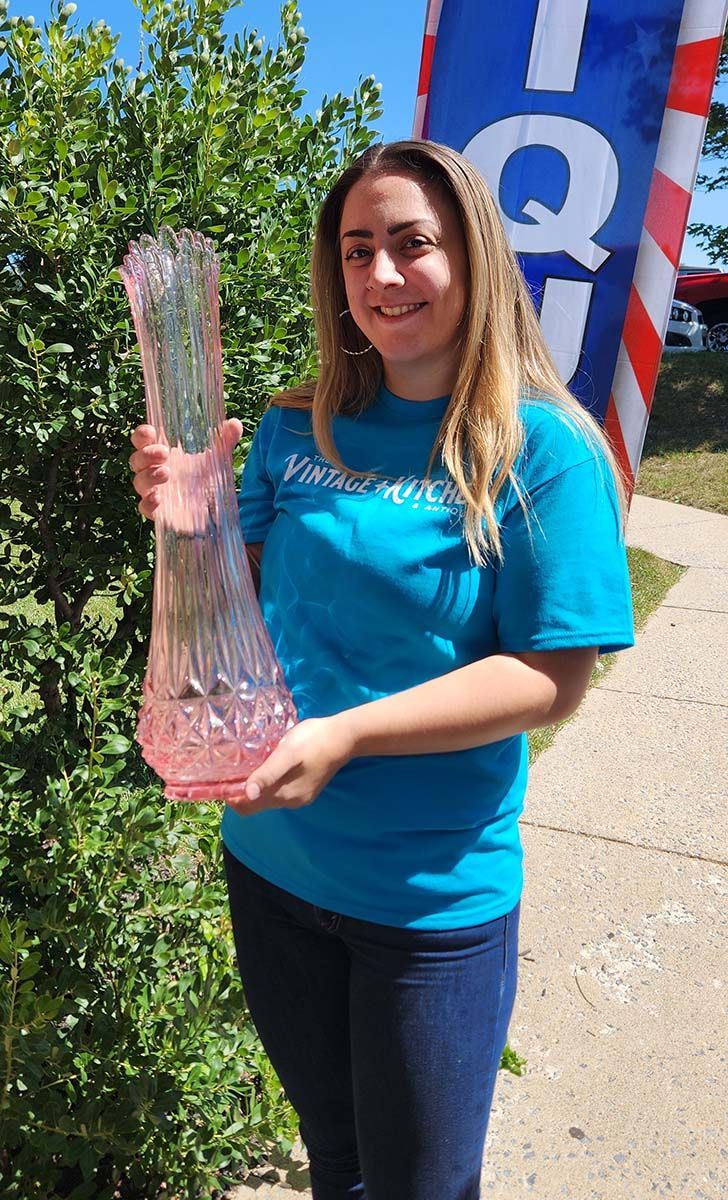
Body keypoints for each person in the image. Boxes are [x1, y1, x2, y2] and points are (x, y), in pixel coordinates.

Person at [128, 139, 634, 1200]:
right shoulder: (292, 424)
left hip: (426, 903)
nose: (381, 276)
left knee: (418, 1189)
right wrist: (193, 520)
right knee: (339, 1162)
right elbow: (243, 598)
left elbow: (550, 676)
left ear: (475, 257)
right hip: (272, 866)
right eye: (357, 251)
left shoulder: (540, 449)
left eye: (412, 244)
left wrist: (348, 733)